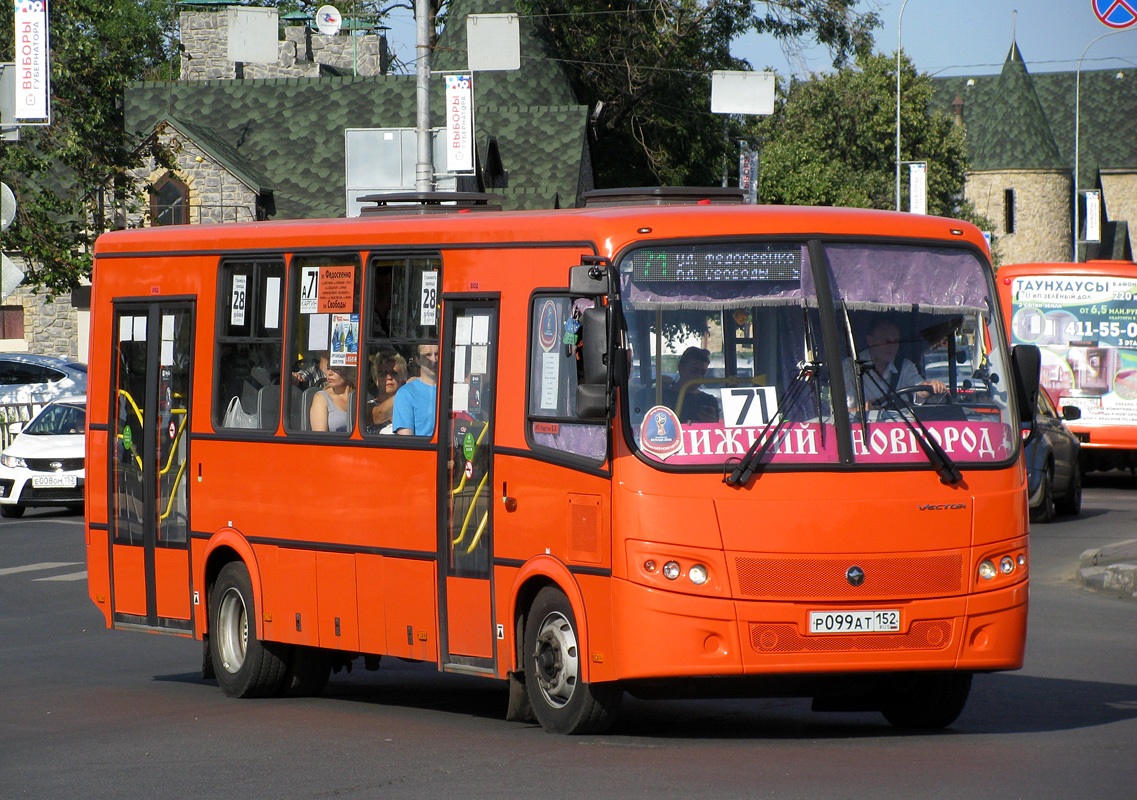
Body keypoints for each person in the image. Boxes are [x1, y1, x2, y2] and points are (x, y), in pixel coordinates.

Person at [848, 317, 947, 410]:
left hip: (901, 425)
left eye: (896, 341)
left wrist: (932, 386)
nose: (892, 347)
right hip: (865, 426)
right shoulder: (850, 367)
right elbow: (838, 413)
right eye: (887, 341)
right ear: (870, 341)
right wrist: (863, 410)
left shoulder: (904, 366)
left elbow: (919, 387)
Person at [661, 346, 720, 423]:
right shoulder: (663, 396)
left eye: (703, 372)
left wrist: (712, 423)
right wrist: (662, 388)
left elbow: (715, 432)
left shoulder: (709, 401)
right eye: (694, 371)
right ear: (680, 368)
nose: (699, 376)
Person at [393, 343, 439, 436]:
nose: (434, 360)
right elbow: (406, 441)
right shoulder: (405, 394)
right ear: (418, 360)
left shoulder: (454, 390)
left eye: (437, 354)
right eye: (428, 355)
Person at [367, 349, 408, 432]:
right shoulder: (368, 407)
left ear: (404, 377)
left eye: (394, 373)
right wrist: (408, 390)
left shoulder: (410, 405)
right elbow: (380, 415)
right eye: (383, 374)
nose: (388, 377)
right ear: (376, 379)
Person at [309, 363, 356, 432]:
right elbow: (320, 437)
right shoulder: (321, 398)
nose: (329, 373)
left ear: (350, 372)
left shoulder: (359, 396)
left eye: (336, 369)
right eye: (328, 368)